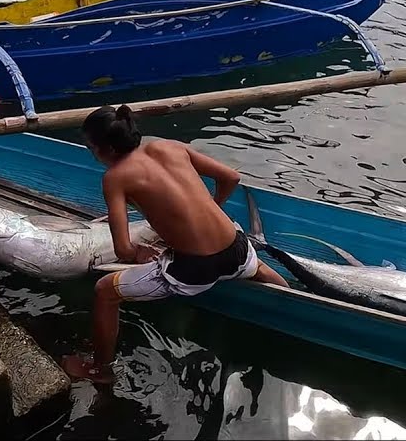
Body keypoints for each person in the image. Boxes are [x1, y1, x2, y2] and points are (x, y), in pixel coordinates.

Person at [60, 106, 289, 383]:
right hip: (236, 250)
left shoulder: (115, 178)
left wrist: (139, 253)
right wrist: (214, 207)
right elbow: (231, 177)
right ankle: (292, 306)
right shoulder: (168, 145)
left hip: (195, 270)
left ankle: (102, 369)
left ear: (105, 149)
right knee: (255, 264)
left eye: (90, 148)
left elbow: (122, 250)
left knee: (104, 291)